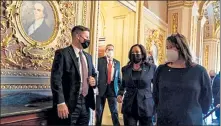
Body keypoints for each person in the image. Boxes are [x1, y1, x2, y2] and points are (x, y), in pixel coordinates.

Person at [153, 33, 212, 125]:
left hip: (191, 121)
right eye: (167, 47)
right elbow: (156, 95)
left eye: (171, 47)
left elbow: (206, 98)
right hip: (165, 120)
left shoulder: (199, 71)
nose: (168, 50)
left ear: (182, 47)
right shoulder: (161, 69)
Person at [50, 25, 97, 125]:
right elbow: (56, 80)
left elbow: (94, 74)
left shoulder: (88, 56)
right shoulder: (62, 54)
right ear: (77, 36)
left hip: (86, 103)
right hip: (68, 104)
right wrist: (61, 103)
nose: (88, 40)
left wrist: (94, 81)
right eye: (86, 37)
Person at [117, 44, 156, 126]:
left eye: (137, 52)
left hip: (146, 105)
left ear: (142, 54)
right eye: (132, 52)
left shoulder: (151, 68)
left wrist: (157, 100)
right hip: (129, 105)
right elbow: (123, 84)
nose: (135, 54)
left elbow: (157, 86)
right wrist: (120, 94)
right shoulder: (125, 69)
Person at [96, 44, 121, 126]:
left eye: (112, 49)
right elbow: (96, 75)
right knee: (99, 112)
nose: (110, 51)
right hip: (101, 89)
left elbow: (119, 78)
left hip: (112, 90)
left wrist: (120, 91)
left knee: (114, 112)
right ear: (106, 51)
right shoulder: (99, 61)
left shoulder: (117, 63)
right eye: (109, 49)